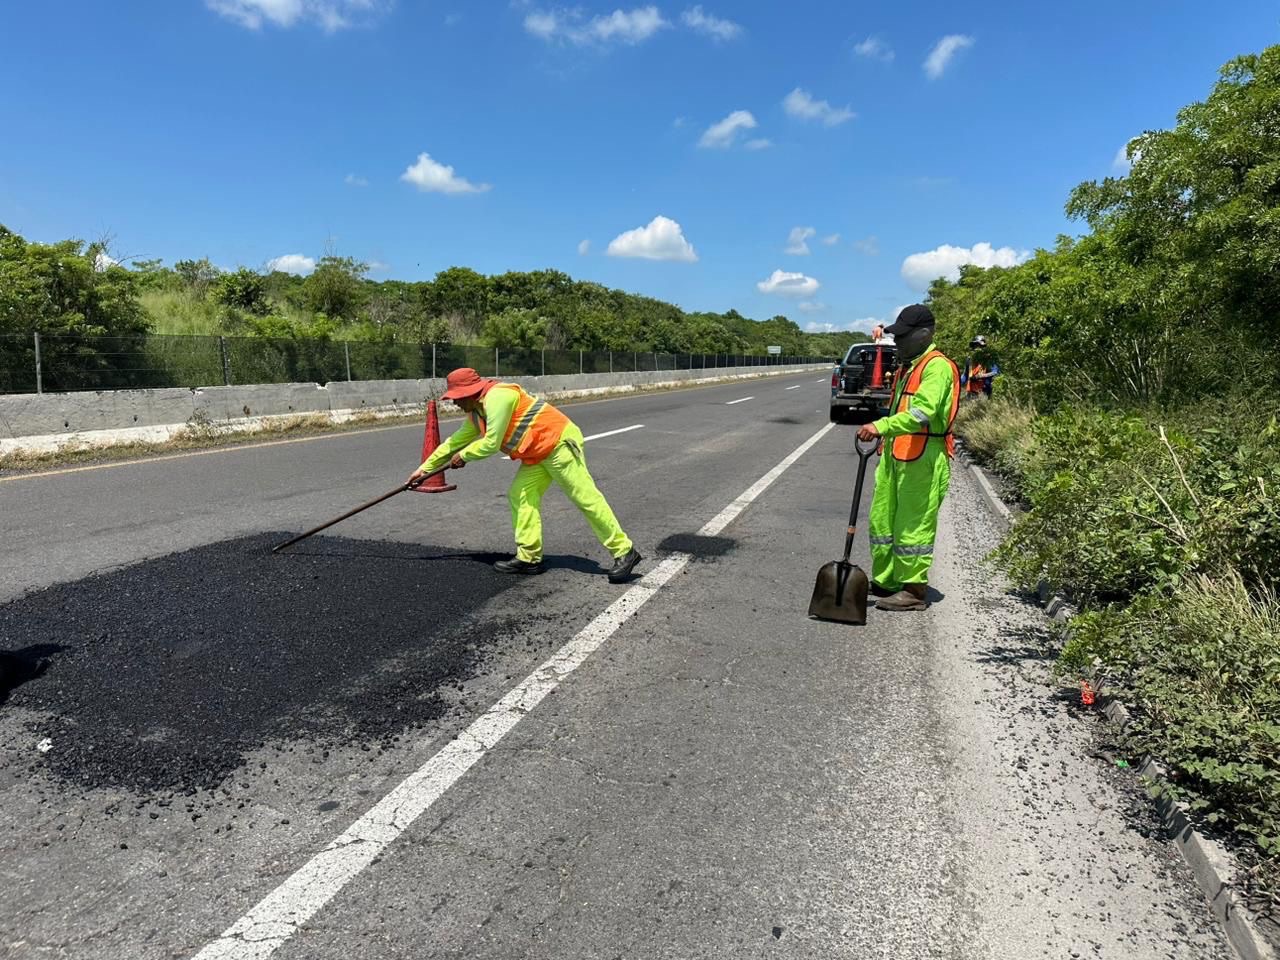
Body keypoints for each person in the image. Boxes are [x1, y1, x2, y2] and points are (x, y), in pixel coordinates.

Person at [408, 368, 643, 583]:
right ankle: (529, 557)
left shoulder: (498, 397)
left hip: (558, 443)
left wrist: (465, 456)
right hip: (537, 454)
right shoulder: (476, 413)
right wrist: (423, 471)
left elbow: (491, 444)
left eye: (457, 398)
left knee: (585, 498)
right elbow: (453, 443)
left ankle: (624, 551)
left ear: (470, 393)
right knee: (520, 495)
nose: (455, 403)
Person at [856, 305, 961, 611]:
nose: (898, 342)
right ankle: (888, 581)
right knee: (883, 521)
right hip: (896, 454)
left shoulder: (936, 367)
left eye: (903, 336)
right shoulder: (910, 366)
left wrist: (880, 426)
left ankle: (914, 589)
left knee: (912, 525)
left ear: (924, 334)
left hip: (923, 458)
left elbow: (922, 414)